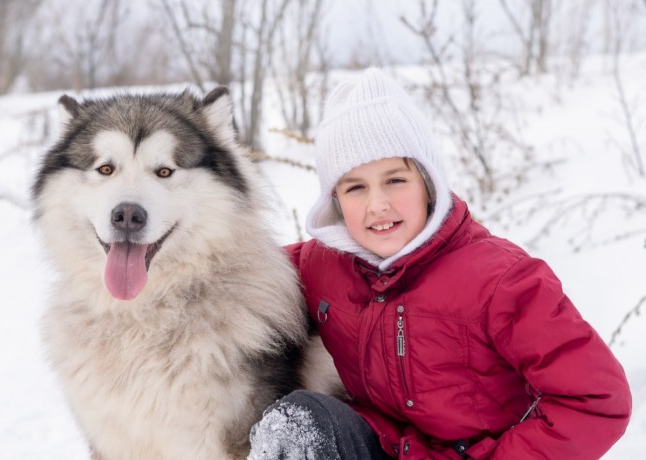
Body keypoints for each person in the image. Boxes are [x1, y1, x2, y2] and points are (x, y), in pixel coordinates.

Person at [248, 68, 631, 459]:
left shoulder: (501, 281)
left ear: (428, 183)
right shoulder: (323, 265)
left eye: (395, 180)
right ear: (335, 201)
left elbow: (597, 399)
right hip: (381, 445)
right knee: (298, 422)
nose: (377, 204)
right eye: (356, 187)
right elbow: (243, 272)